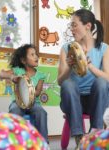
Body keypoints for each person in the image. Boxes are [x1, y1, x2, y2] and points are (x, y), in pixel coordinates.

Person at [57, 9, 109, 149]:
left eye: (74, 25)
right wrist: (69, 66)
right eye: (71, 26)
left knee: (102, 82)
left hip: (95, 101)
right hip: (73, 101)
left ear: (88, 26)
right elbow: (60, 82)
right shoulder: (66, 48)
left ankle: (94, 133)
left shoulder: (104, 48)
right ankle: (79, 137)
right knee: (68, 84)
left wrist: (90, 66)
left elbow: (108, 78)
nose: (71, 29)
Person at [0, 44, 49, 143]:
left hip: (34, 103)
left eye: (36, 54)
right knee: (14, 110)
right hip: (17, 102)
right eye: (32, 55)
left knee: (41, 112)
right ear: (23, 60)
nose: (36, 57)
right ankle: (14, 142)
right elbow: (1, 74)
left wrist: (28, 88)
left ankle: (43, 142)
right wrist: (12, 77)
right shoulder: (18, 71)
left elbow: (38, 92)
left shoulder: (40, 75)